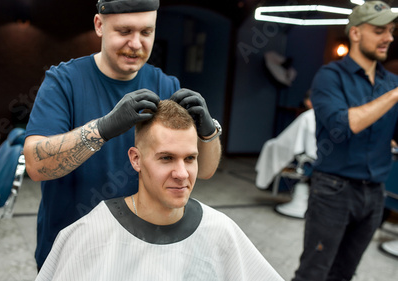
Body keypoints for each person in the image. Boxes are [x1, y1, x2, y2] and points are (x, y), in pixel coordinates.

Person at [23, 0, 222, 270]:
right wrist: (104, 128)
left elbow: (207, 170)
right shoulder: (64, 81)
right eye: (125, 31)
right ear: (99, 25)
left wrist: (208, 132)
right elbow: (36, 165)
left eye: (146, 32)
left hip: (143, 250)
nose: (136, 44)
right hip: (72, 251)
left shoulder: (166, 84)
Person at [35, 100, 282, 281]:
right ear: (136, 159)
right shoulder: (90, 234)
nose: (182, 173)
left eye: (190, 158)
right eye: (166, 158)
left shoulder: (220, 231)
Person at [292, 2, 398, 280]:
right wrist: (395, 95)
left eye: (391, 30)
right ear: (355, 33)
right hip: (333, 192)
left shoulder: (390, 82)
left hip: (375, 194)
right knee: (313, 273)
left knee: (344, 274)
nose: (389, 37)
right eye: (379, 31)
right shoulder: (330, 76)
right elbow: (344, 124)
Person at [255, 89, 316, 219]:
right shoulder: (327, 115)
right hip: (321, 161)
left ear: (308, 101)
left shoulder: (307, 116)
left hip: (309, 161)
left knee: (271, 146)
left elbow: (286, 143)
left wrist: (271, 145)